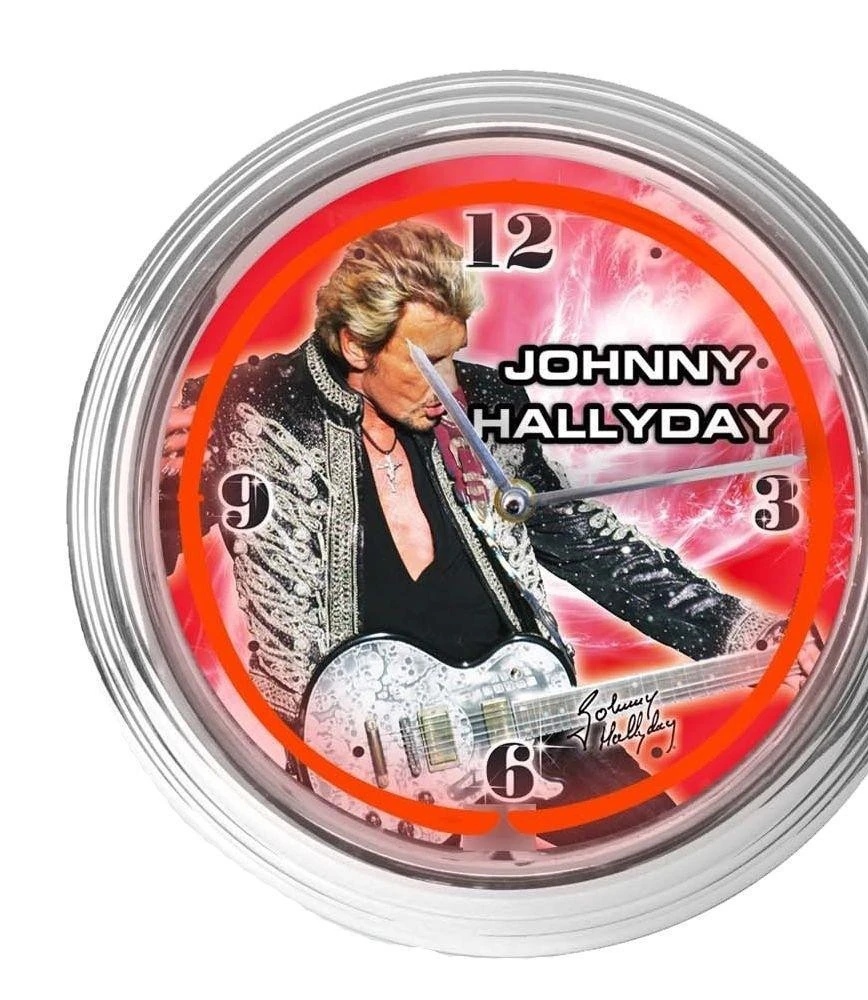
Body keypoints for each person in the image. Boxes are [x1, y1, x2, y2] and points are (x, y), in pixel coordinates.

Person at [160, 221, 815, 846]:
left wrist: (738, 627)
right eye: (427, 361)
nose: (449, 386)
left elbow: (584, 542)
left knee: (656, 848)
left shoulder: (485, 402)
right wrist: (151, 482)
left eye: (455, 356)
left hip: (520, 705)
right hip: (364, 752)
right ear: (356, 346)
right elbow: (139, 563)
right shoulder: (237, 408)